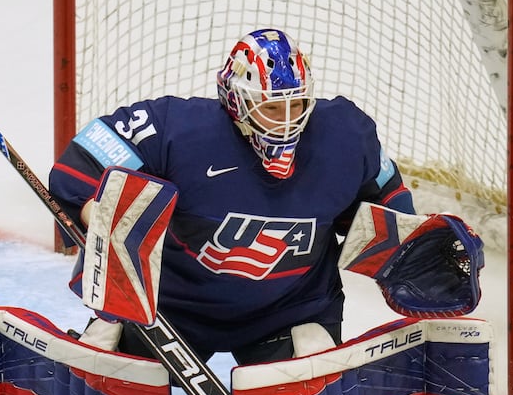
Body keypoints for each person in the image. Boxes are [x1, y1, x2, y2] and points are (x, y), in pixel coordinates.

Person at [49, 27, 417, 366]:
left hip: (290, 311)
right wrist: (94, 212)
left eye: (297, 105)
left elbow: (388, 204)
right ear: (237, 101)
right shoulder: (178, 130)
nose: (287, 121)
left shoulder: (345, 136)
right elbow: (86, 155)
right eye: (271, 107)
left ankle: (305, 346)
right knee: (118, 392)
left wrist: (416, 249)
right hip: (172, 311)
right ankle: (114, 330)